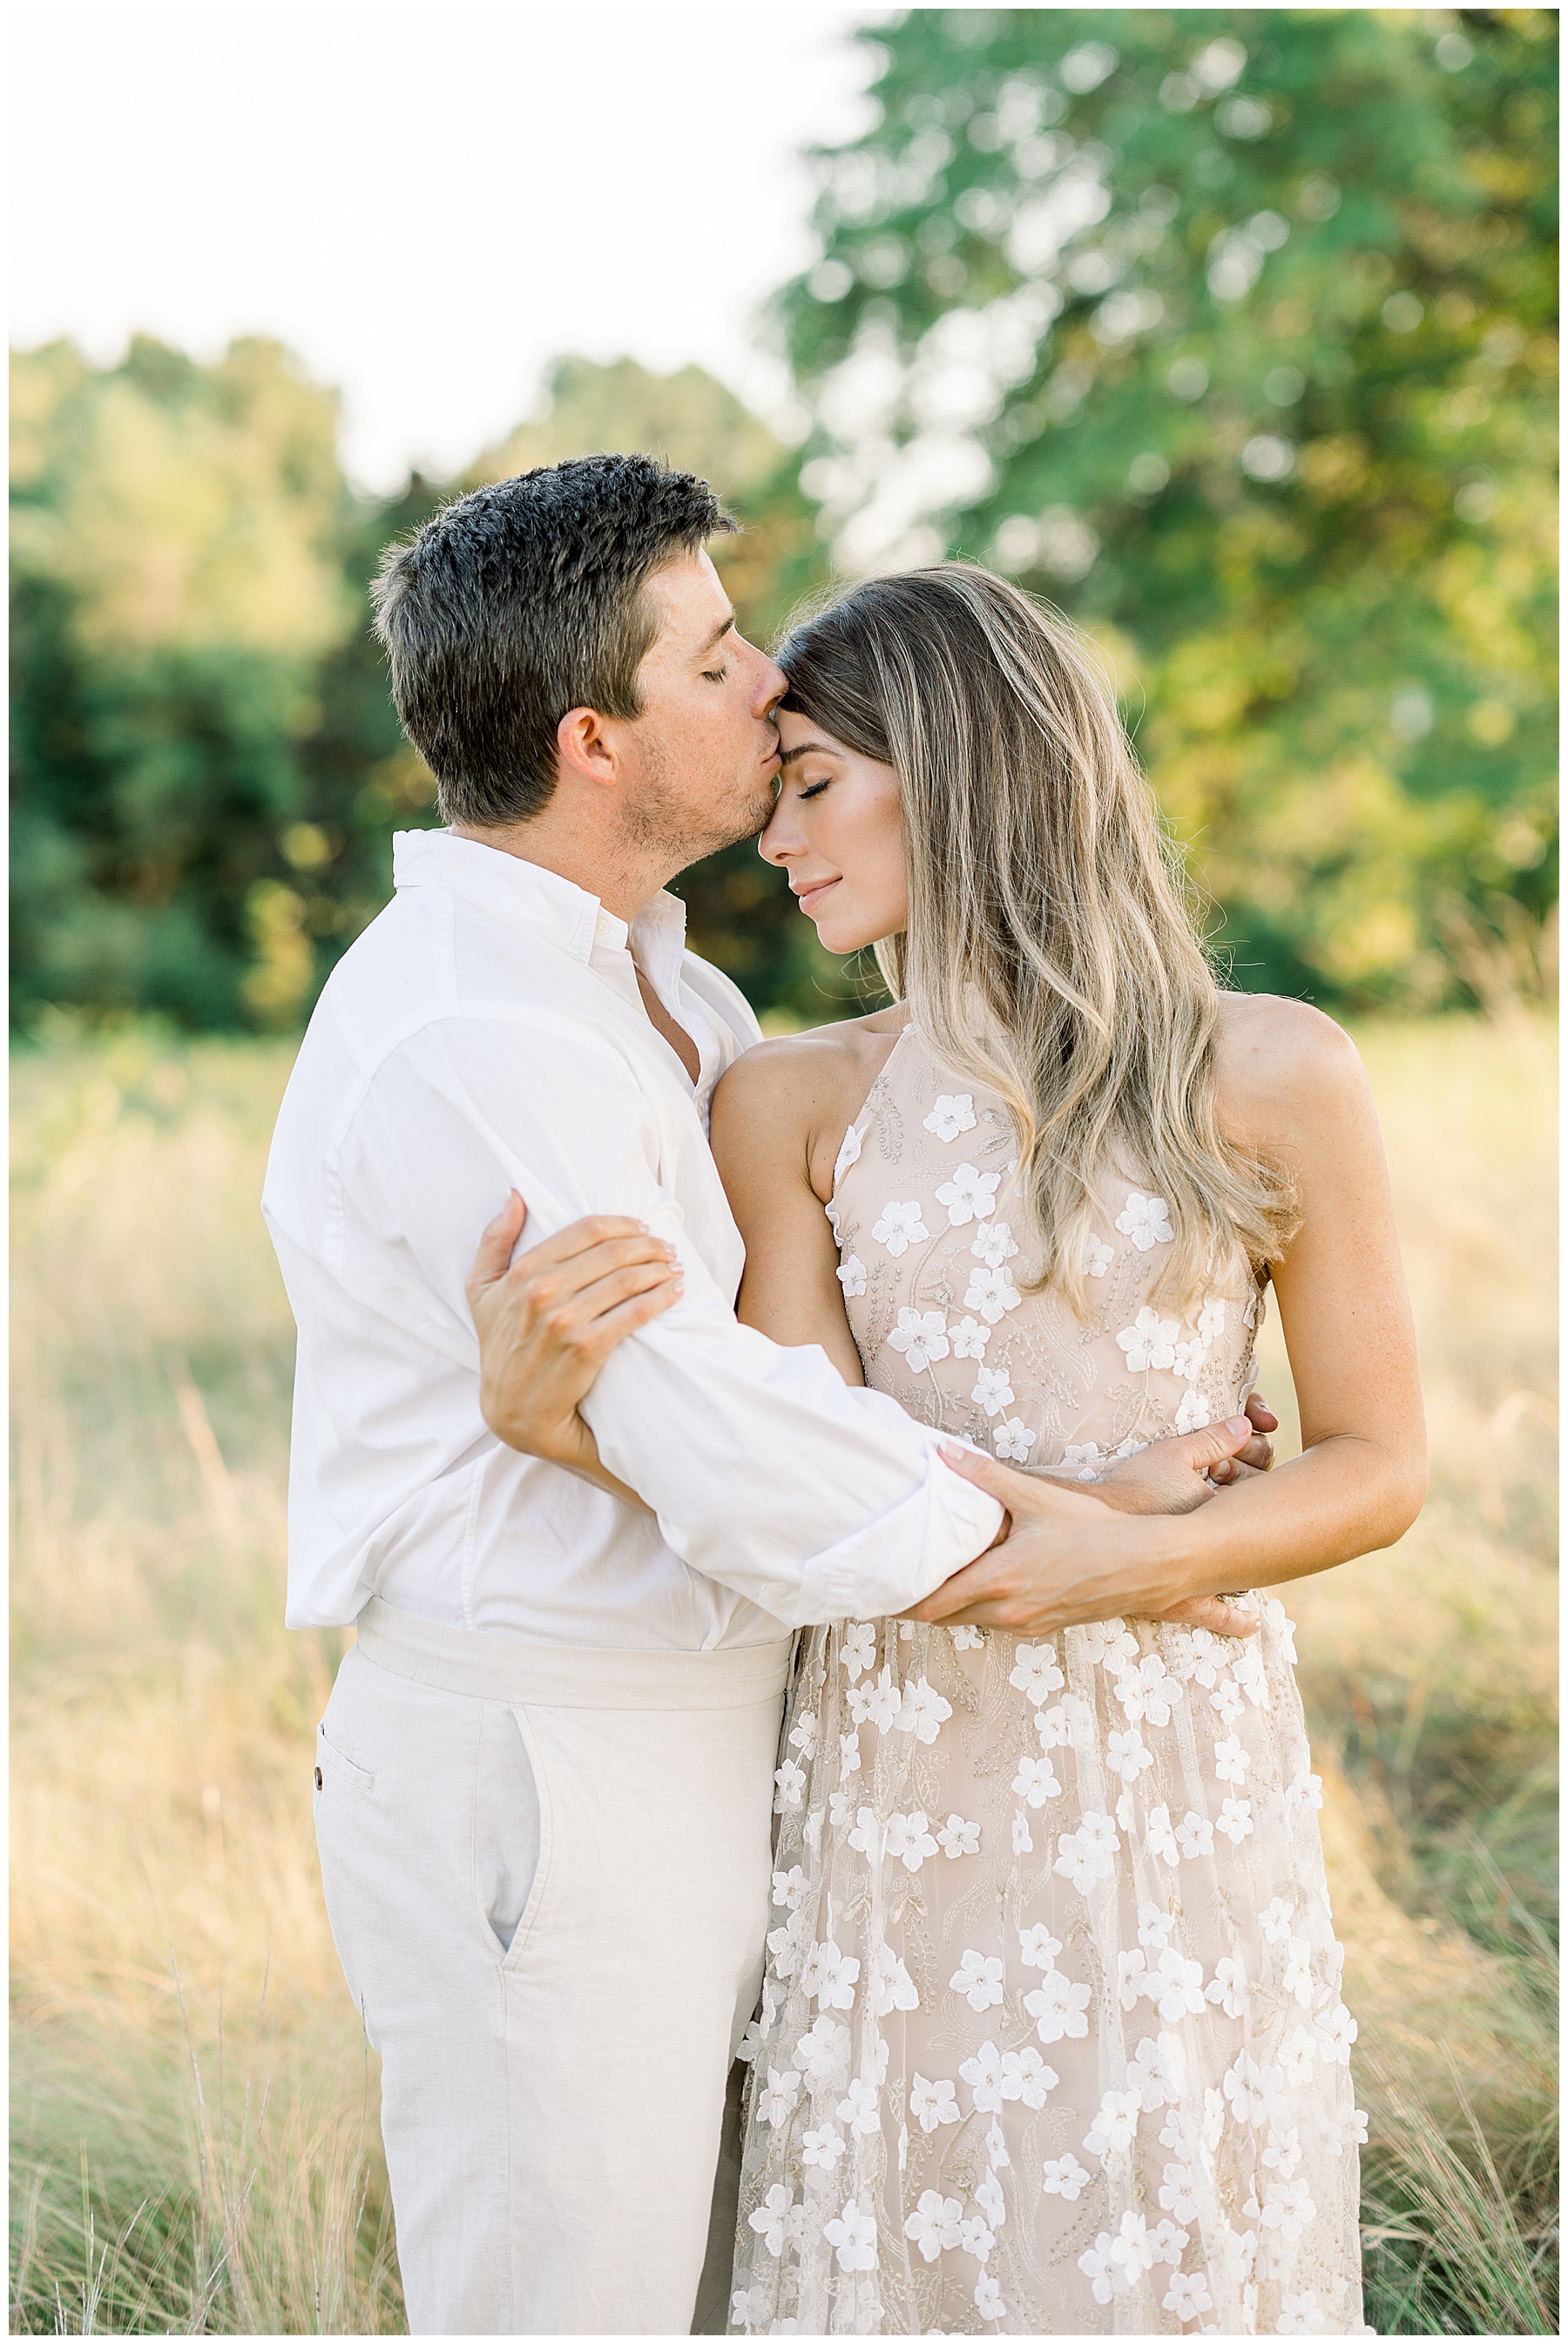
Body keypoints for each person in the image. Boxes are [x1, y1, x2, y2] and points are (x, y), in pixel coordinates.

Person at [262, 460, 1268, 2338]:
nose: (767, 680)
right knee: (572, 2309)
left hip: (744, 1739)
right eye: (715, 656)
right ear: (594, 738)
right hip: (555, 1750)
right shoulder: (478, 1026)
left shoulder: (674, 999)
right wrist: (1080, 1530)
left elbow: (758, 1397)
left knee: (741, 2285)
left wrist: (571, 1425)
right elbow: (709, 1422)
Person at [471, 564, 1426, 2334]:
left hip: (1178, 1765)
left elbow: (1377, 1463)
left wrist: (1143, 1556)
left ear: (967, 770)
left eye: (815, 784)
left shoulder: (1273, 1072)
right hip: (905, 1769)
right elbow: (794, 1482)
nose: (777, 840)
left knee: (1176, 2235)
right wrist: (557, 1429)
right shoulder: (790, 1103)